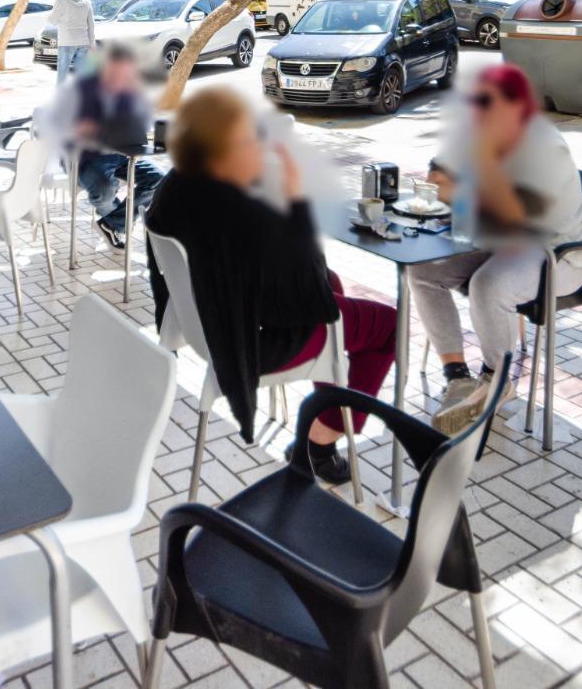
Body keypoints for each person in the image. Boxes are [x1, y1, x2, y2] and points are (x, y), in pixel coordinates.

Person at [146, 86, 396, 484]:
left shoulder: (177, 184)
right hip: (247, 343)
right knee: (390, 326)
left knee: (334, 283)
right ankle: (319, 445)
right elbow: (306, 295)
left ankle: (326, 410)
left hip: (207, 325)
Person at [416, 63, 582, 436]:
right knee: (422, 270)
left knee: (488, 284)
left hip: (558, 252)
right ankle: (458, 376)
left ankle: (497, 379)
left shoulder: (545, 147)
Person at [66, 45, 162, 247]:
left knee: (158, 179)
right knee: (105, 189)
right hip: (87, 158)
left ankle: (113, 223)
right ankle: (116, 222)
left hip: (122, 155)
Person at [51, 0, 94, 83]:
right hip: (83, 41)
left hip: (66, 41)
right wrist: (91, 42)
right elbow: (91, 23)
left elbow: (52, 19)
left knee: (63, 72)